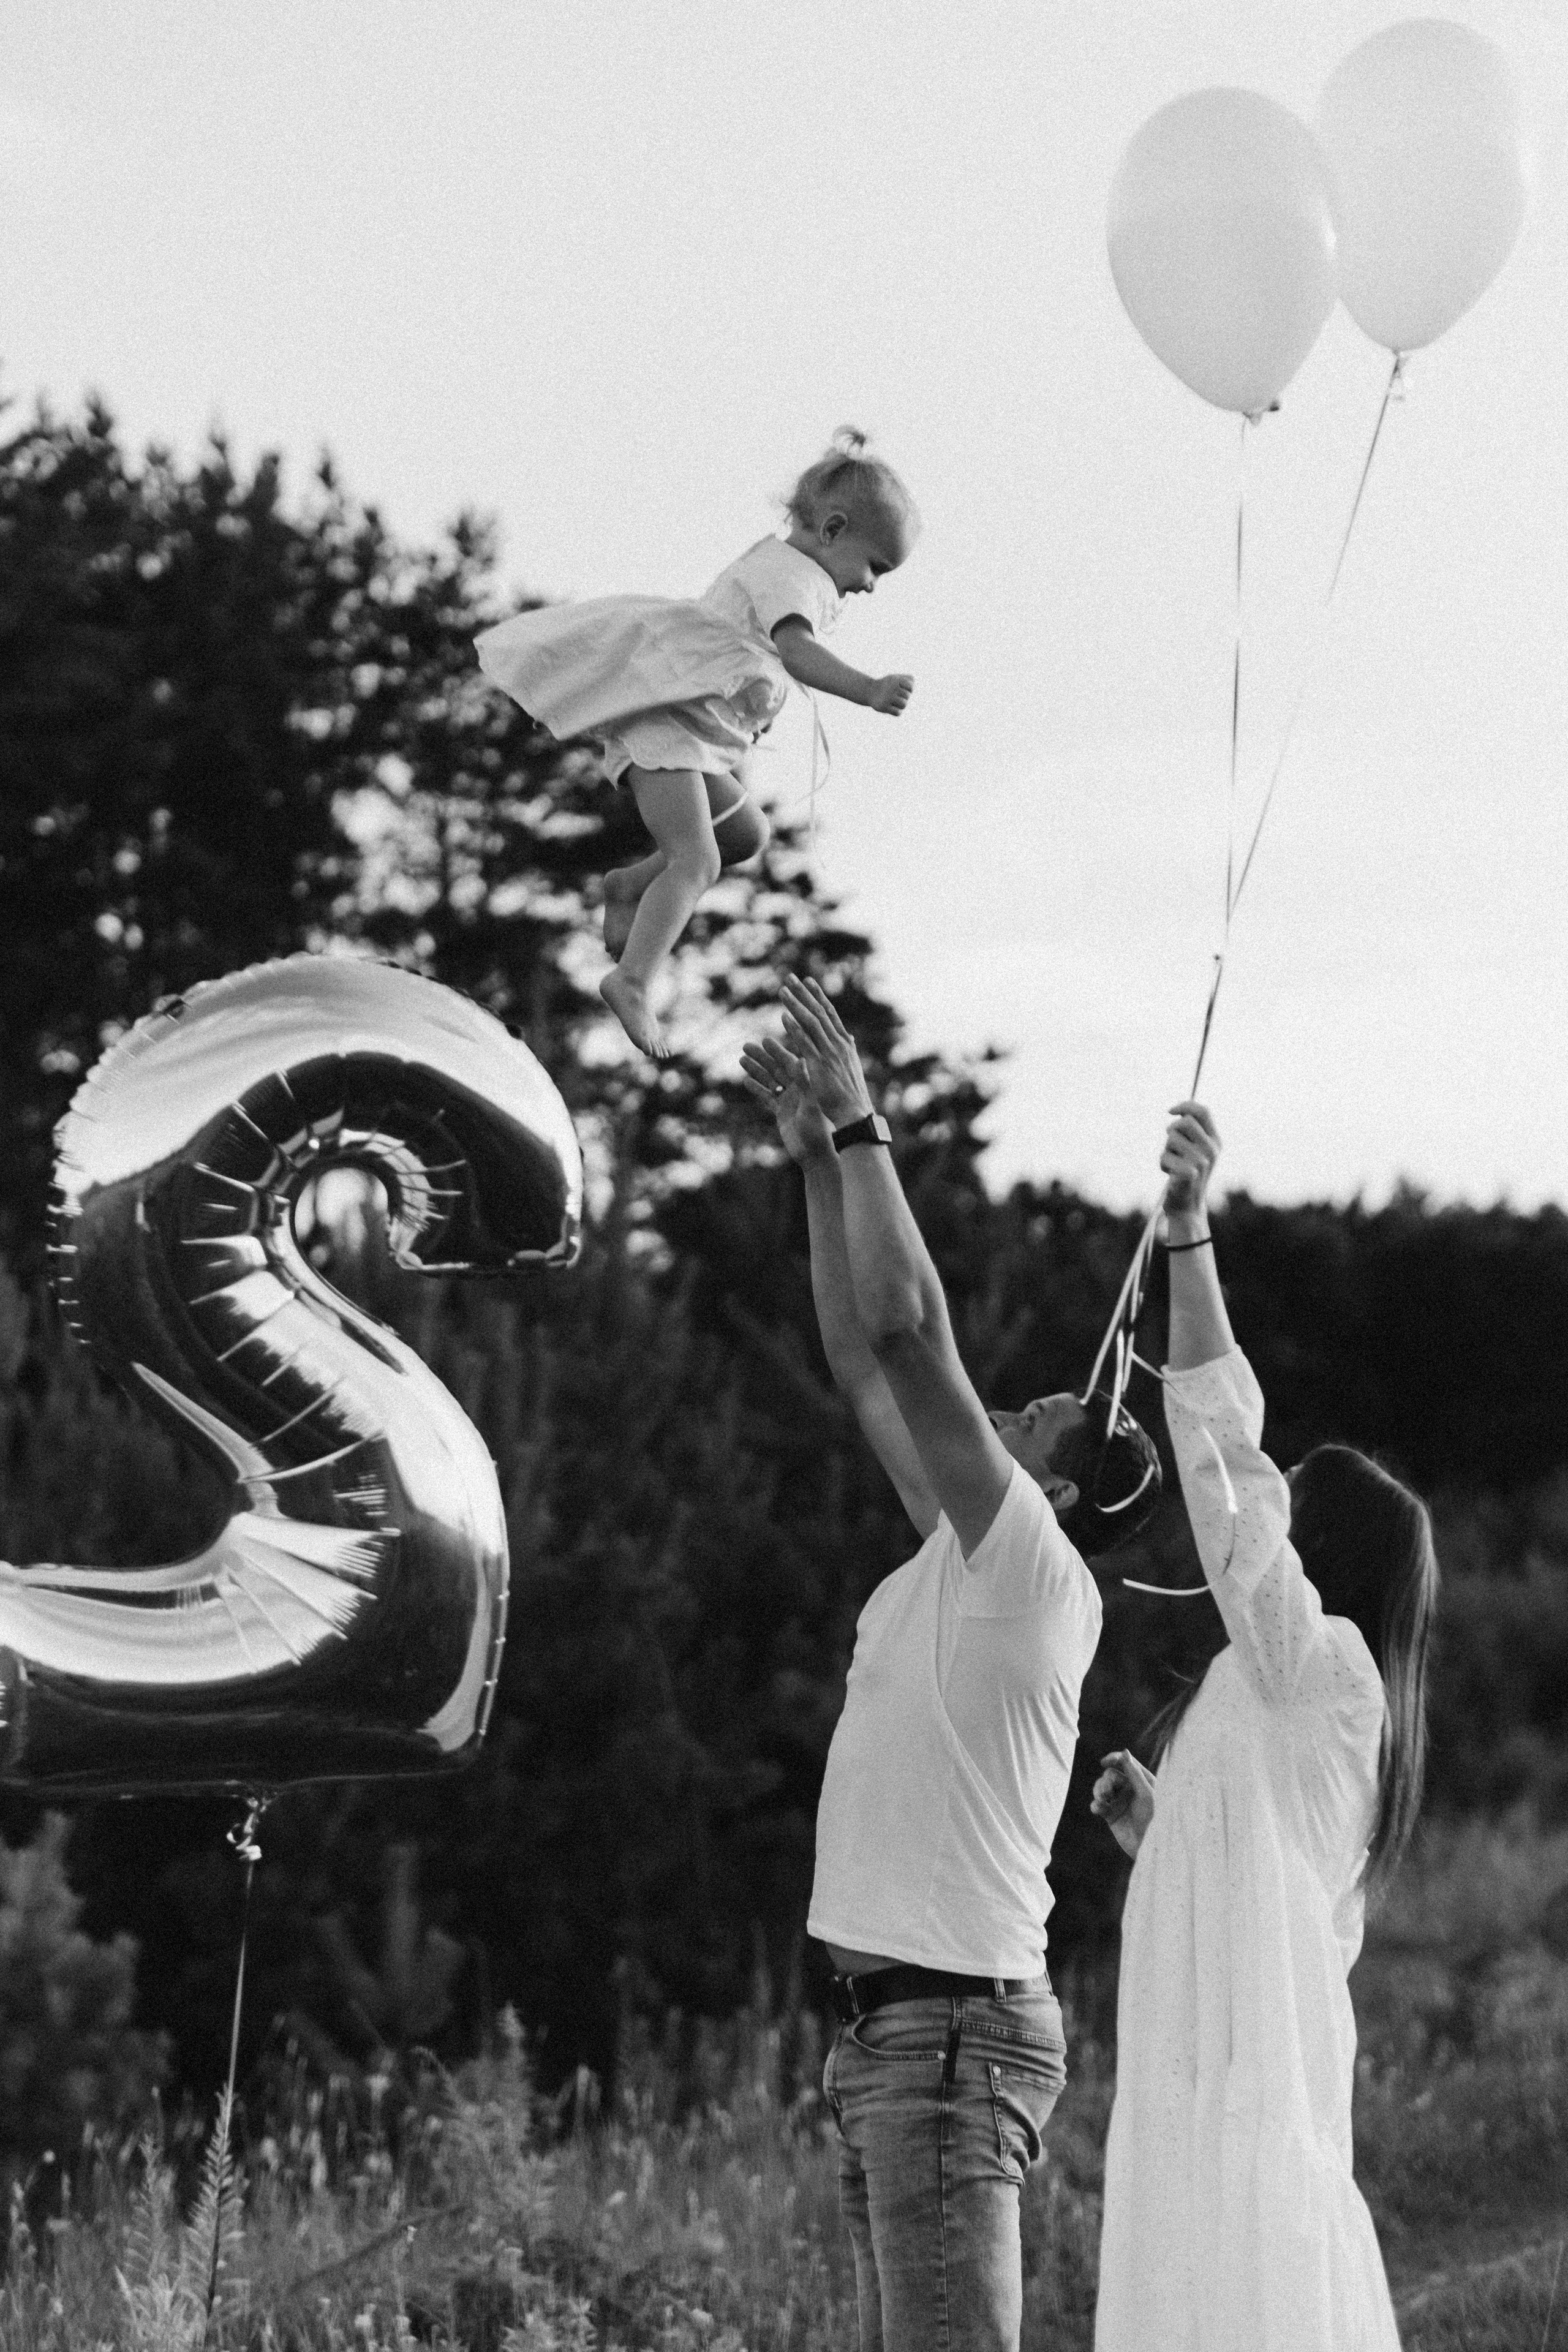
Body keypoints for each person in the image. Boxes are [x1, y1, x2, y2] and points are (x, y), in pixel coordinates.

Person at [739, 974, 1161, 2352]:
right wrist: (813, 1171)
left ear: (1055, 1487)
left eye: (1034, 1413)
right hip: (891, 2039)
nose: (1009, 1403)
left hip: (943, 2038)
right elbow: (866, 1368)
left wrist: (864, 1128)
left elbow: (912, 1335)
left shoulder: (1027, 1564)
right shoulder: (961, 1556)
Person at [1090, 1101, 1438, 2352]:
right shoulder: (1287, 1685)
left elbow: (1230, 1490)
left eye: (1298, 1510)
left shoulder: (1333, 1675)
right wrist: (1160, 1822)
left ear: (1326, 1550)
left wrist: (1188, 1243)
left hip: (1250, 2070)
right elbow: (1267, 1876)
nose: (1270, 1520)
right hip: (1204, 2049)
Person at [475, 429, 919, 1058]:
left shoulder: (797, 575)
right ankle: (630, 980)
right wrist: (866, 688)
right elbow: (795, 652)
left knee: (746, 837)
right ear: (833, 529)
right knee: (698, 860)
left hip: (697, 740)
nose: (872, 585)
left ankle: (629, 885)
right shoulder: (788, 577)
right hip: (667, 728)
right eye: (875, 566)